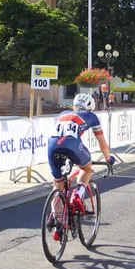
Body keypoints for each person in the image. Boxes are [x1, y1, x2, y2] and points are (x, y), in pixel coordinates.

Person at [48, 93, 115, 240]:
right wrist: (108, 158)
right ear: (90, 108)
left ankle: (58, 225)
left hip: (52, 145)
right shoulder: (91, 116)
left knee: (58, 183)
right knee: (86, 168)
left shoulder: (64, 113)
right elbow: (102, 142)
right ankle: (78, 195)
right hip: (71, 144)